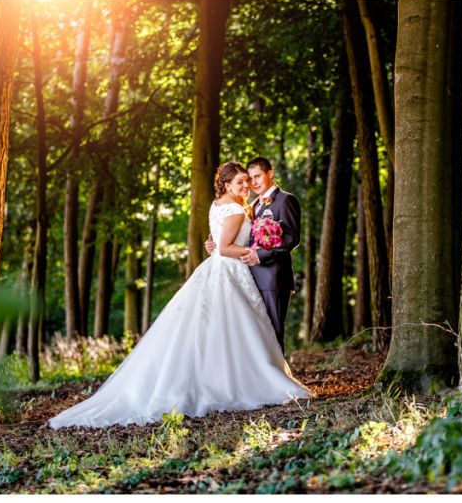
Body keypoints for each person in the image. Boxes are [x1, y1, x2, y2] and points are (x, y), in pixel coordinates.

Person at [49, 162, 310, 429]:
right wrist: (244, 252)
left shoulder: (225, 205)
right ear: (227, 185)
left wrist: (223, 247)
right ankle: (239, 382)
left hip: (235, 272)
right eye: (241, 182)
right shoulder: (236, 209)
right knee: (236, 329)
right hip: (232, 271)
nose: (247, 186)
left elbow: (227, 242)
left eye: (249, 180)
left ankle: (229, 378)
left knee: (226, 329)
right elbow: (224, 246)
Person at [206, 157, 301, 354]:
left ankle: (278, 380)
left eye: (257, 176)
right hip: (250, 278)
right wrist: (216, 243)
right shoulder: (254, 204)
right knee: (258, 336)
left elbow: (291, 238)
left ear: (270, 173)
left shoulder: (285, 200)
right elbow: (243, 237)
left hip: (273, 278)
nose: (253, 182)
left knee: (273, 334)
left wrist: (260, 255)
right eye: (250, 178)